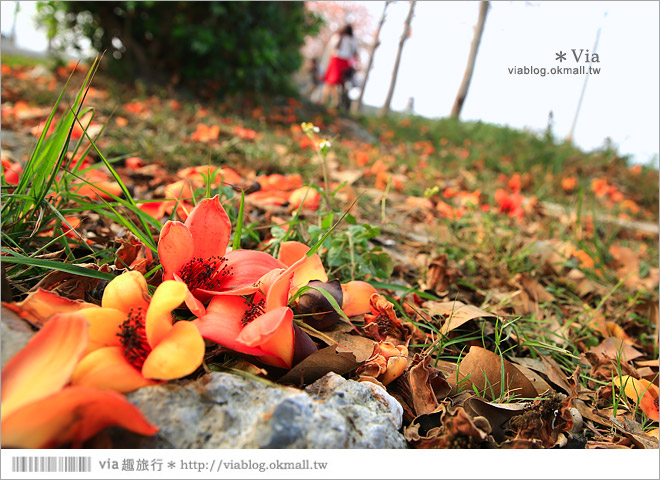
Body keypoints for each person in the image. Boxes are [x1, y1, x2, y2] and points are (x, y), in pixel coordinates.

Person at [320, 25, 358, 108]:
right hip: (345, 63)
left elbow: (330, 48)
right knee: (334, 82)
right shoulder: (353, 40)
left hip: (336, 60)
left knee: (330, 81)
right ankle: (333, 102)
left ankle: (328, 101)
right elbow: (355, 53)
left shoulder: (338, 37)